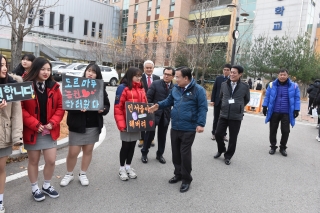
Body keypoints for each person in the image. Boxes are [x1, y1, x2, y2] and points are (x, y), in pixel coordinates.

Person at [148, 66, 208, 193]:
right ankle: (178, 174)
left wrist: (201, 124)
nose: (175, 79)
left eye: (177, 77)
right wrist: (157, 106)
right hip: (175, 126)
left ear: (186, 78)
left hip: (189, 127)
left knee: (184, 153)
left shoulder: (198, 90)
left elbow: (203, 107)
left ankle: (186, 179)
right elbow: (168, 101)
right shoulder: (176, 88)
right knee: (176, 152)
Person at [60, 64, 110, 187]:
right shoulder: (75, 85)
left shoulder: (100, 88)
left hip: (93, 125)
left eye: (94, 72)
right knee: (73, 152)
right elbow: (67, 105)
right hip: (77, 124)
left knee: (88, 151)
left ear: (97, 75)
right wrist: (78, 109)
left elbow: (107, 106)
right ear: (85, 72)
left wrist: (102, 110)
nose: (90, 73)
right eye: (89, 71)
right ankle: (69, 174)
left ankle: (83, 173)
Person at [22, 57, 65, 201]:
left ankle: (46, 185)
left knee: (51, 160)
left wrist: (53, 122)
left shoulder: (54, 86)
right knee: (33, 161)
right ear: (36, 69)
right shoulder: (25, 85)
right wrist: (35, 124)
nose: (46, 72)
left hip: (49, 130)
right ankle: (35, 187)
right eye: (43, 69)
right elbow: (20, 109)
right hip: (32, 130)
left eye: (48, 69)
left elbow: (60, 107)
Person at [114, 67, 147, 181]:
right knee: (125, 146)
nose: (139, 78)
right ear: (130, 76)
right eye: (136, 75)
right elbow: (118, 108)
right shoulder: (122, 88)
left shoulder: (141, 89)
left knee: (132, 145)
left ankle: (128, 167)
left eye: (140, 76)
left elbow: (145, 106)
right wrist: (121, 125)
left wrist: (146, 120)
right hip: (126, 124)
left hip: (137, 123)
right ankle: (122, 168)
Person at [213, 65, 250, 165]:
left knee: (233, 138)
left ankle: (228, 156)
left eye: (234, 72)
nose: (232, 74)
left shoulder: (245, 86)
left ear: (240, 74)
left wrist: (238, 107)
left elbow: (246, 99)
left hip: (236, 116)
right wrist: (225, 105)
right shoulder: (224, 84)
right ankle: (221, 149)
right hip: (224, 114)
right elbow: (221, 97)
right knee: (218, 134)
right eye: (231, 72)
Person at [0, 55, 23, 213]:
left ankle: (0, 201)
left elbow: (17, 113)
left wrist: (17, 137)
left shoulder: (12, 86)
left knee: (1, 168)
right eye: (1, 65)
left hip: (3, 134)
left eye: (5, 65)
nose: (5, 68)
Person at [262, 68, 300, 157]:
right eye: (281, 75)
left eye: (284, 75)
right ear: (278, 75)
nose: (282, 76)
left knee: (286, 131)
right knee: (273, 130)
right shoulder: (271, 85)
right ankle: (273, 146)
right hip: (274, 112)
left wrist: (296, 109)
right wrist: (264, 106)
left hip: (286, 113)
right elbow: (267, 97)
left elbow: (297, 98)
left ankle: (283, 147)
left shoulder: (294, 86)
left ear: (288, 76)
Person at [141, 67, 175, 164]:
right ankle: (144, 153)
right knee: (149, 135)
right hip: (153, 114)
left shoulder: (174, 88)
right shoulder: (156, 84)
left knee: (162, 136)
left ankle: (159, 154)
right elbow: (148, 98)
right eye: (165, 74)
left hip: (166, 115)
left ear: (173, 76)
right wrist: (149, 110)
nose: (166, 76)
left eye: (169, 74)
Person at [139, 60, 160, 148]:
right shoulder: (139, 77)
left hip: (153, 104)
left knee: (152, 121)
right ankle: (141, 139)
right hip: (142, 103)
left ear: (153, 68)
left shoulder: (157, 78)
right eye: (147, 68)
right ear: (144, 68)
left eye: (150, 68)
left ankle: (151, 138)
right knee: (142, 121)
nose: (149, 69)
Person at [210, 64, 231, 141]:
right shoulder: (218, 78)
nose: (225, 71)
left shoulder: (231, 80)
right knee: (216, 118)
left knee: (225, 119)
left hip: (227, 103)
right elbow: (214, 89)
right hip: (218, 102)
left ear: (230, 71)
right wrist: (212, 100)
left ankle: (223, 134)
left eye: (227, 70)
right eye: (224, 69)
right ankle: (214, 133)